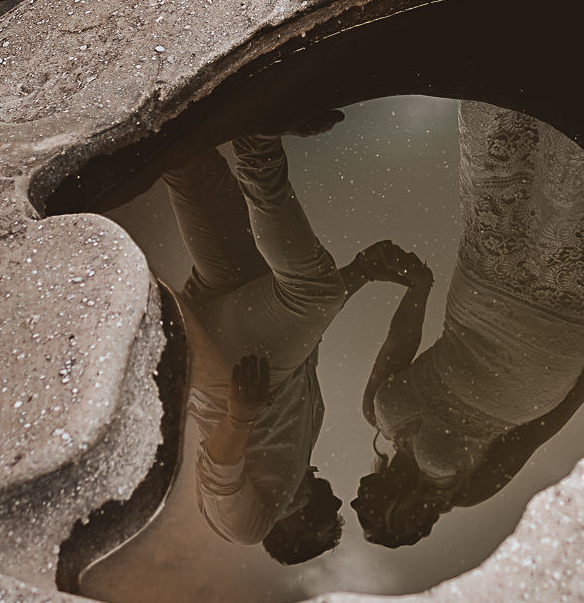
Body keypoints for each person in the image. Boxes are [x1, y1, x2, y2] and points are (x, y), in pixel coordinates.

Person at [353, 102, 584, 547]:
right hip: (536, 365)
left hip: (471, 317)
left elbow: (400, 342)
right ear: (400, 517)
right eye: (367, 514)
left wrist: (419, 288)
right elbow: (534, 436)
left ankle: (527, 101)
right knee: (574, 233)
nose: (354, 504)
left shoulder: (375, 413)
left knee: (501, 207)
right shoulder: (464, 491)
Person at [160, 135, 420, 563]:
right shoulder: (298, 453)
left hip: (232, 371)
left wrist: (240, 415)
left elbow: (217, 476)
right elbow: (302, 347)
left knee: (315, 292)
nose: (338, 507)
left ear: (297, 535)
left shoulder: (247, 529)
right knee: (194, 175)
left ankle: (258, 144)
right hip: (248, 345)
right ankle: (185, 121)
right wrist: (360, 272)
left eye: (328, 526)